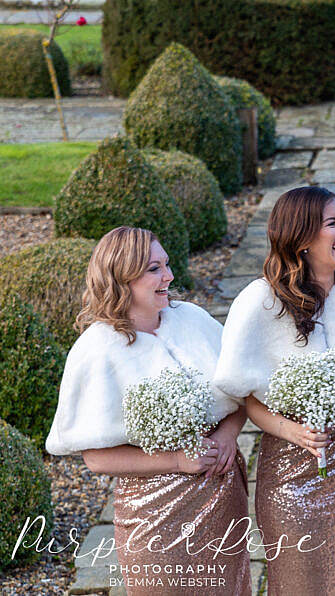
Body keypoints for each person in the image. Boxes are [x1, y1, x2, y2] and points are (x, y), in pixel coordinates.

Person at [213, 186, 335, 595]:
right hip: (290, 473)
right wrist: (293, 431)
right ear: (300, 239)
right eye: (332, 224)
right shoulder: (260, 303)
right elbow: (246, 398)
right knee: (299, 582)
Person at [46, 226, 250, 595]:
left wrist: (227, 435)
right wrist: (176, 461)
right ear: (121, 279)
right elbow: (96, 458)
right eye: (154, 269)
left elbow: (239, 395)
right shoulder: (96, 351)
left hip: (221, 499)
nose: (169, 276)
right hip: (154, 513)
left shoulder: (193, 320)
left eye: (167, 265)